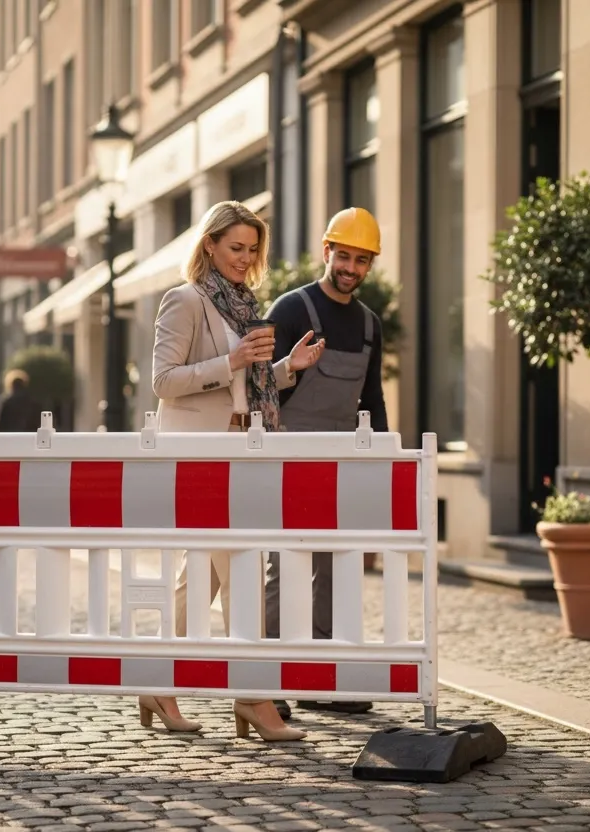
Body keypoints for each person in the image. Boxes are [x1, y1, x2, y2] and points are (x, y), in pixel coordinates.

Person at [150, 199, 324, 741]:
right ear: (210, 245)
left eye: (253, 250)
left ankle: (157, 682)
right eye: (235, 248)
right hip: (204, 455)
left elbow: (244, 383)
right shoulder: (185, 301)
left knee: (198, 576)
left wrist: (284, 368)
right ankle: (254, 697)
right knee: (242, 571)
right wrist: (233, 359)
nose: (245, 259)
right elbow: (164, 381)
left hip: (241, 447)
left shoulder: (242, 305)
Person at [264, 206, 389, 720]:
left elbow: (373, 399)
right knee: (285, 567)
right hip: (286, 457)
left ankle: (323, 679)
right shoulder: (290, 309)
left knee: (336, 569)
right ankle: (268, 680)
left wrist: (382, 457)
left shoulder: (368, 325)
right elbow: (254, 384)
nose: (351, 268)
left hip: (341, 464)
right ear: (326, 251)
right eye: (345, 256)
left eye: (362, 261)